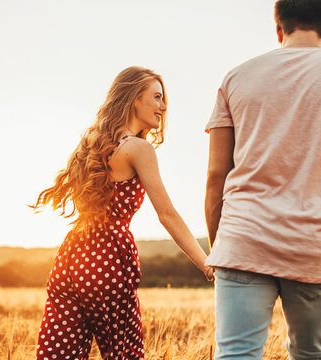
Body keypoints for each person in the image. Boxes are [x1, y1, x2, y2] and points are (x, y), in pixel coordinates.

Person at [204, 0, 321, 359]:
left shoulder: (236, 76)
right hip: (314, 246)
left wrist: (222, 248)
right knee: (310, 355)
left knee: (235, 354)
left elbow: (216, 176)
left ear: (279, 29)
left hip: (243, 240)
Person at [32, 66, 214, 360]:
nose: (163, 106)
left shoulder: (90, 143)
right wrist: (206, 263)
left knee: (59, 354)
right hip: (108, 262)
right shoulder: (138, 148)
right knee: (124, 354)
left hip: (70, 259)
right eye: (156, 97)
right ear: (133, 99)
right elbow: (166, 214)